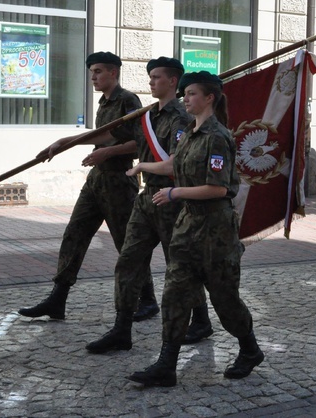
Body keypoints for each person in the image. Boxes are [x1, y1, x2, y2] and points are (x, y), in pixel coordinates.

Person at [127, 71, 262, 387]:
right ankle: (166, 365)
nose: (185, 98)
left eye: (191, 93)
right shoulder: (189, 132)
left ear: (209, 98)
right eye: (184, 93)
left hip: (216, 232)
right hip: (188, 228)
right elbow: (174, 166)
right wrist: (143, 166)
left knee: (224, 300)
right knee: (175, 294)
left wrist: (174, 193)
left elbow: (218, 189)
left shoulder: (218, 137)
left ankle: (250, 349)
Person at [85, 57, 214, 355]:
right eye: (150, 77)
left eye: (156, 77)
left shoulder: (184, 117)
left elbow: (176, 163)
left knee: (179, 265)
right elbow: (113, 136)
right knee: (129, 260)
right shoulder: (146, 115)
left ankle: (202, 319)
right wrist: (68, 141)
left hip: (172, 199)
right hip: (146, 199)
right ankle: (121, 328)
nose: (151, 82)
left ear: (172, 82)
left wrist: (143, 165)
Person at [18, 52, 141, 321]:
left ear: (113, 73)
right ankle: (57, 298)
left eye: (98, 71)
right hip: (97, 180)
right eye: (91, 72)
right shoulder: (103, 103)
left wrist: (106, 153)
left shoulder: (129, 100)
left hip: (120, 180)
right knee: (75, 234)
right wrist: (65, 141)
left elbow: (138, 143)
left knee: (127, 243)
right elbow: (102, 135)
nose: (93, 77)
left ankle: (147, 300)